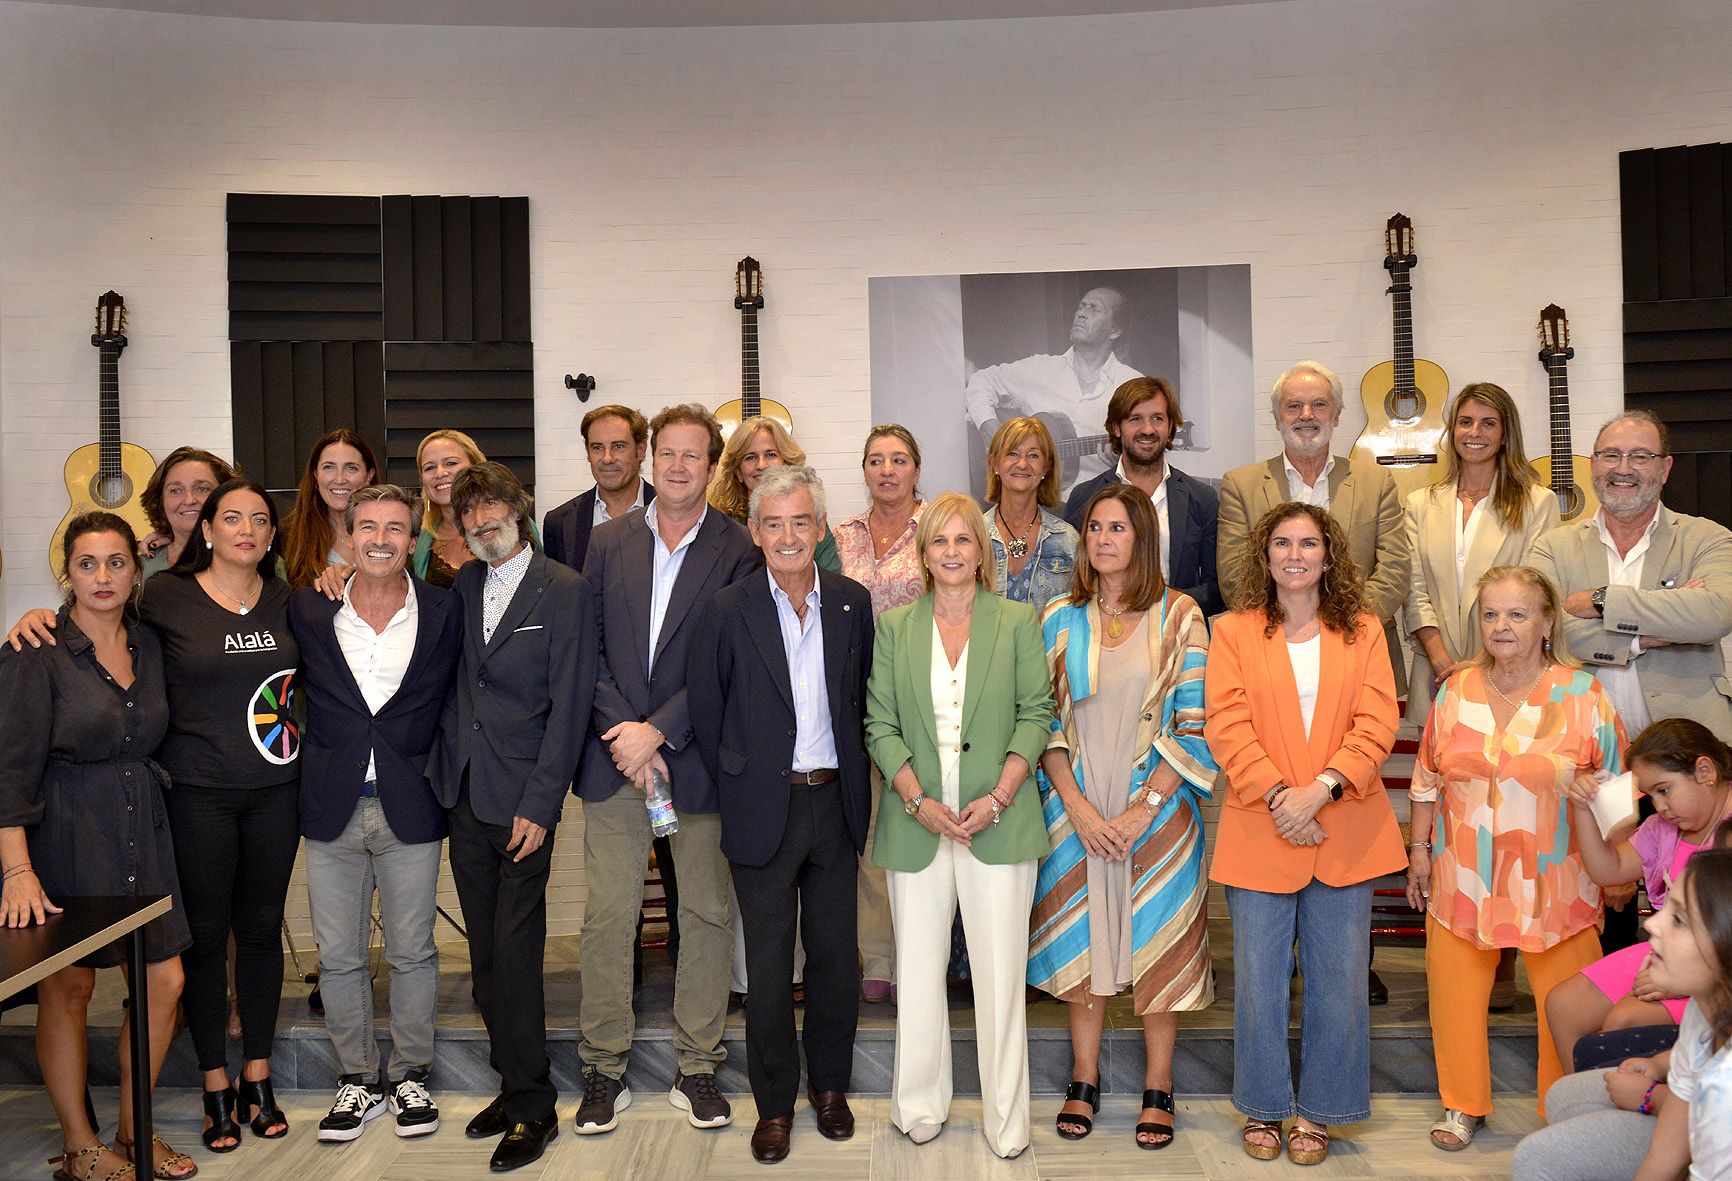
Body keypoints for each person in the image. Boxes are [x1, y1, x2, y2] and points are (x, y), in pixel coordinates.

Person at [575, 404, 759, 1137]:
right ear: (650, 459)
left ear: (712, 466)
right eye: (669, 453)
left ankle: (698, 1063)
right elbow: (582, 648)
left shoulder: (739, 546)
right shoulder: (605, 542)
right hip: (614, 756)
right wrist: (627, 732)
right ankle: (603, 1066)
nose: (679, 466)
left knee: (706, 914)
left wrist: (660, 731)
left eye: (694, 455)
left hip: (699, 759)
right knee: (610, 916)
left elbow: (734, 659)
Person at [1203, 502, 1406, 1166]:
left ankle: (1323, 1111)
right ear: (1264, 556)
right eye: (1282, 542)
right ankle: (1264, 1104)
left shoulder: (1366, 630)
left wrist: (1321, 788)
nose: (1295, 554)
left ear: (1329, 554)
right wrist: (1279, 795)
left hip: (1343, 822)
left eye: (1309, 542)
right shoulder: (1232, 631)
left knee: (1340, 980)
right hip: (1262, 824)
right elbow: (1225, 723)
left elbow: (1378, 722)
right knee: (1259, 980)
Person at [688, 464, 875, 1164]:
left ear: (820, 528)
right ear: (756, 531)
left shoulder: (853, 603)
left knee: (832, 959)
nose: (789, 535)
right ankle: (773, 1104)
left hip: (834, 803)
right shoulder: (726, 607)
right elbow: (708, 712)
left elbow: (861, 703)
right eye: (774, 523)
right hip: (763, 808)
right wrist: (744, 775)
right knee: (766, 969)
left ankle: (830, 1088)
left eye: (801, 521)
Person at [0, 513, 195, 1181]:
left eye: (116, 562)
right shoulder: (35, 649)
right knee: (71, 984)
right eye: (88, 563)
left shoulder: (149, 642)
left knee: (165, 981)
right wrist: (17, 868)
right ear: (68, 573)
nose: (104, 576)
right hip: (66, 828)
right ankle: (81, 1145)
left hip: (146, 821)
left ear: (136, 571)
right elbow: (9, 767)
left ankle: (135, 1134)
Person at [865, 491, 1054, 1159]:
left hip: (996, 827)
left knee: (1001, 980)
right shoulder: (894, 629)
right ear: (924, 553)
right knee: (917, 974)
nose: (951, 551)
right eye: (939, 540)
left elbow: (1037, 715)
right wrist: (919, 801)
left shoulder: (1017, 622)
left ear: (982, 551)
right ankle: (919, 1104)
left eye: (963, 540)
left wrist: (1000, 795)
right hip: (918, 826)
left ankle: (1007, 1122)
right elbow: (879, 726)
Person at [1407, 565, 1623, 1149]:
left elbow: (1618, 792)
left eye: (1517, 614)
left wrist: (1620, 869)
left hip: (1561, 878)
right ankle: (1463, 1104)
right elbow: (1426, 778)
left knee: (1570, 1005)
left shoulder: (1585, 695)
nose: (1500, 627)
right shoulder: (1455, 689)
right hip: (1463, 876)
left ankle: (1567, 1107)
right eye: (1490, 614)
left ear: (1547, 621)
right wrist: (1419, 853)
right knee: (1453, 995)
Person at [1028, 484, 1217, 1150]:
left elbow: (1196, 723)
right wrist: (1077, 807)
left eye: (1118, 527)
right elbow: (1041, 721)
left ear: (1144, 538)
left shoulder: (1182, 615)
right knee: (1086, 946)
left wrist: (1147, 807)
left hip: (1159, 811)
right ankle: (1084, 1077)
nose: (1103, 538)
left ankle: (1159, 1085)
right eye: (1095, 527)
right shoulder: (1057, 615)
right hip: (1075, 808)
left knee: (1156, 945)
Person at [424, 461, 595, 1173]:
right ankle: (511, 1079)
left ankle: (535, 1107)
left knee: (519, 958)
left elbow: (571, 705)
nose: (482, 520)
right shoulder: (463, 584)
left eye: (493, 507)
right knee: (486, 958)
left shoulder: (566, 590)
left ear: (518, 511)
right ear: (459, 527)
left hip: (524, 801)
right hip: (464, 793)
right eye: (470, 513)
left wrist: (542, 803)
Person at [290, 485, 463, 1143]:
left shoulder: (445, 610)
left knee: (414, 950)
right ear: (349, 533)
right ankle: (357, 1079)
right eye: (368, 526)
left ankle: (410, 1074)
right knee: (337, 955)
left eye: (396, 526)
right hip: (330, 804)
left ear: (414, 537)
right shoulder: (310, 608)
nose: (382, 538)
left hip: (410, 804)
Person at [1511, 842, 1732, 1181]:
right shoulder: (1703, 1012)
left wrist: (1646, 1097)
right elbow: (1664, 1153)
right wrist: (1657, 1073)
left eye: (1679, 920)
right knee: (1564, 1099)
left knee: (1537, 1158)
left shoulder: (1724, 1087)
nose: (1652, 925)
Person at [1532, 410, 1732, 744]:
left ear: (1665, 469)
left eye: (1640, 456)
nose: (1623, 469)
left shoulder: (1706, 538)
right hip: (1579, 743)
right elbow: (1542, 632)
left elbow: (1713, 613)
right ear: (1593, 463)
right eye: (1611, 455)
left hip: (1688, 748)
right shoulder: (1552, 547)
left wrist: (1602, 601)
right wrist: (1644, 638)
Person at [1547, 719, 1732, 1070]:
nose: (1659, 806)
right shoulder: (1663, 827)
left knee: (1625, 1020)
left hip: (1720, 967)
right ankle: (1584, 1110)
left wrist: (1683, 981)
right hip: (1672, 952)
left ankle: (1636, 1111)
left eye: (1665, 790)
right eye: (1650, 795)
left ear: (1705, 771)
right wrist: (1583, 812)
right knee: (1564, 1005)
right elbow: (1609, 870)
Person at [1217, 360, 1409, 672]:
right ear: (1278, 418)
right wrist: (1291, 631)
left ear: (1336, 415)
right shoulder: (1241, 485)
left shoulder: (1376, 483)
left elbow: (1395, 571)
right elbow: (1234, 578)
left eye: (1319, 404)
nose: (1306, 415)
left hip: (1358, 649)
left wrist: (1342, 625)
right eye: (1294, 406)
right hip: (1269, 655)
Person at [833, 423, 929, 1003]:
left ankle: (922, 958)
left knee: (919, 832)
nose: (887, 470)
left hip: (920, 701)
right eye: (875, 460)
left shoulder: (937, 532)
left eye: (898, 459)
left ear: (917, 469)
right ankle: (881, 958)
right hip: (851, 703)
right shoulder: (840, 536)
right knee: (869, 838)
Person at [1403, 383, 1561, 725]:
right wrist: (1441, 660)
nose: (1475, 432)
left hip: (1510, 671)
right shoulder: (1420, 504)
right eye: (1465, 422)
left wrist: (1477, 664)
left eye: (1488, 423)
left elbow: (1535, 596)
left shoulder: (1537, 504)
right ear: (1453, 430)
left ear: (1505, 434)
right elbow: (1413, 590)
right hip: (1435, 673)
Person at [1062, 376, 1223, 615]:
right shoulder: (1085, 497)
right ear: (1117, 427)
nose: (1147, 429)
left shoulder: (1202, 499)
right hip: (1104, 634)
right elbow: (1075, 580)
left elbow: (1217, 588)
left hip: (1176, 635)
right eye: (1135, 419)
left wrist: (1164, 607)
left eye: (1157, 419)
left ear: (1170, 427)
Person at [964, 287, 1142, 496]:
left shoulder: (1134, 384)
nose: (1081, 313)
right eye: (1081, 306)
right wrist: (989, 428)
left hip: (1102, 503)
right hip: (1039, 504)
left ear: (1115, 331)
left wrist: (1125, 463)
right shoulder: (1040, 369)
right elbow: (980, 381)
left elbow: (1148, 461)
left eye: (1094, 309)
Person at [707, 414, 840, 574]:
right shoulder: (722, 527)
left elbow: (831, 581)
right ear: (739, 472)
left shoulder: (809, 519)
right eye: (750, 457)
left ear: (787, 462)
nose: (761, 465)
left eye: (771, 455)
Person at [543, 403, 655, 573]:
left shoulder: (672, 512)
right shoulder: (559, 523)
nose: (607, 458)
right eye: (597, 448)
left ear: (640, 451)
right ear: (588, 453)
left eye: (618, 446)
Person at [982, 415, 1078, 611]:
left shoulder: (1067, 540)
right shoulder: (974, 535)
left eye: (1033, 455)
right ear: (994, 463)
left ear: (1046, 467)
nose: (1022, 464)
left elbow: (1078, 614)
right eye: (1012, 453)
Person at [280, 428, 380, 588]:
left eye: (351, 468)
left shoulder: (391, 535)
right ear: (315, 474)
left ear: (369, 475)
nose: (339, 479)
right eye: (329, 467)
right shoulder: (286, 538)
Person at [138, 447, 239, 575]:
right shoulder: (139, 568)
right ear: (160, 500)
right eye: (176, 490)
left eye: (202, 489)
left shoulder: (245, 557)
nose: (189, 500)